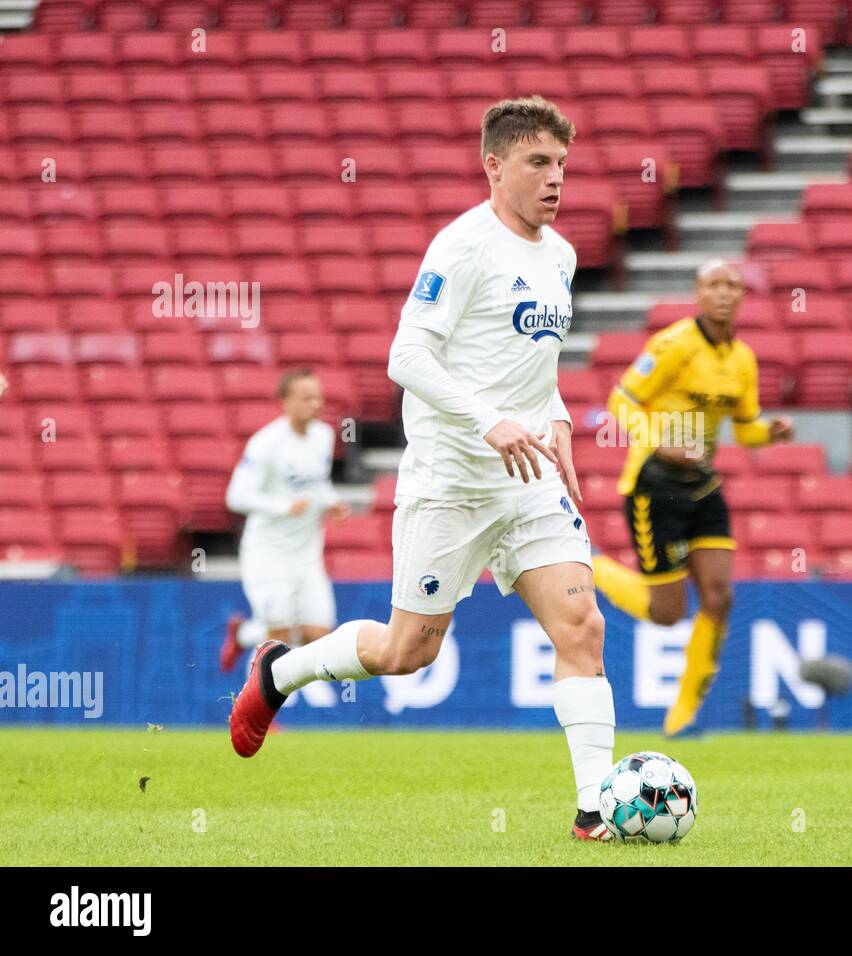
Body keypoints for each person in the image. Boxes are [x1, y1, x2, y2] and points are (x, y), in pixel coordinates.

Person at [228, 97, 617, 840]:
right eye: (538, 163)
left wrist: (557, 418)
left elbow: (531, 367)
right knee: (407, 650)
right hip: (451, 482)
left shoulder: (561, 256)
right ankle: (279, 671)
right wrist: (488, 420)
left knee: (582, 626)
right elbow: (405, 356)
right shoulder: (461, 248)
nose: (555, 179)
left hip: (528, 480)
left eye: (562, 165)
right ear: (494, 167)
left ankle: (594, 812)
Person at [592, 259, 794, 737]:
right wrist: (659, 443)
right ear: (698, 294)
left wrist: (772, 432)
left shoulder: (742, 357)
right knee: (667, 614)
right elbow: (621, 399)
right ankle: (594, 567)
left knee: (720, 597)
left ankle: (684, 712)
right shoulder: (673, 344)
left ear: (742, 296)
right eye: (713, 285)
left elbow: (744, 429)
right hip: (655, 483)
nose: (723, 293)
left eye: (732, 286)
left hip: (702, 482)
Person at [220, 369, 351, 672]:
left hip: (307, 554)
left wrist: (331, 502)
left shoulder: (324, 437)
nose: (316, 404)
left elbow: (317, 484)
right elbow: (236, 496)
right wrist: (283, 506)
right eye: (307, 398)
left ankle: (242, 634)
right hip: (269, 552)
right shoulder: (266, 443)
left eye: (318, 397)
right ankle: (261, 717)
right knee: (278, 638)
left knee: (317, 635)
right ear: (286, 402)